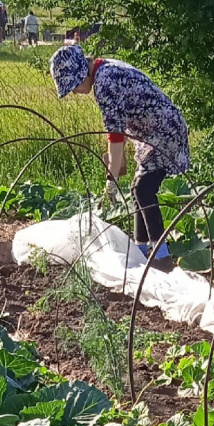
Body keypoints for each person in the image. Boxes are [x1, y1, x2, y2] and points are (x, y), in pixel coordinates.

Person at [50, 45, 189, 264]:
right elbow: (119, 130)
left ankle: (161, 257)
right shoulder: (106, 70)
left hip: (164, 132)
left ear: (81, 73)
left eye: (74, 86)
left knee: (143, 189)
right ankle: (141, 250)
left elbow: (115, 135)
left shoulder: (105, 82)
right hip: (155, 132)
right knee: (138, 190)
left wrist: (111, 181)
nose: (75, 92)